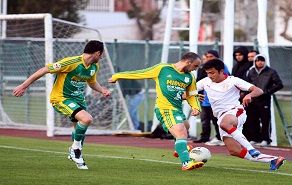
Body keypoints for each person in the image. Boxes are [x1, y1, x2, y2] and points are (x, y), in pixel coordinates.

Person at [13, 40, 111, 170]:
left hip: (78, 100)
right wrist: (24, 86)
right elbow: (45, 70)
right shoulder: (72, 62)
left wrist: (102, 89)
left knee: (79, 131)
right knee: (87, 119)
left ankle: (75, 152)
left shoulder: (94, 67)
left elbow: (91, 82)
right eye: (101, 54)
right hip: (61, 98)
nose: (102, 57)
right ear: (97, 53)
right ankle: (75, 150)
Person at [109, 52, 204, 171]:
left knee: (186, 126)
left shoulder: (190, 77)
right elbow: (140, 73)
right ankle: (186, 162)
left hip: (177, 109)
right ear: (188, 62)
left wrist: (196, 107)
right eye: (195, 66)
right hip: (164, 109)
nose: (196, 69)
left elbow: (192, 95)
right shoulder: (162, 69)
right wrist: (118, 75)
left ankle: (179, 148)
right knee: (181, 133)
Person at [196, 59, 285, 171]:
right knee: (234, 151)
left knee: (225, 124)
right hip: (221, 117)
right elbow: (190, 90)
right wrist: (192, 96)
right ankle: (273, 159)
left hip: (235, 111)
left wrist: (249, 95)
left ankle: (251, 149)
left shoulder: (233, 81)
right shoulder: (205, 81)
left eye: (212, 72)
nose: (210, 75)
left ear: (221, 71)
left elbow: (258, 90)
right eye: (208, 73)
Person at [243, 54, 283, 146]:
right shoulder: (251, 71)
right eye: (257, 60)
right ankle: (254, 138)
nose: (259, 62)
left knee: (265, 120)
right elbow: (246, 84)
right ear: (255, 62)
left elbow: (279, 84)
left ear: (265, 61)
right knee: (253, 119)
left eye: (262, 60)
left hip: (264, 99)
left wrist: (267, 92)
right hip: (253, 99)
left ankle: (266, 139)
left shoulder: (271, 71)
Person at [194, 50, 230, 146]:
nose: (209, 58)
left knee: (217, 120)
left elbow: (225, 81)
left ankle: (220, 137)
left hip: (216, 100)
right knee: (205, 119)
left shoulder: (222, 67)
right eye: (207, 57)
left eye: (211, 56)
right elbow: (199, 82)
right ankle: (205, 136)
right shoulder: (204, 68)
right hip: (205, 99)